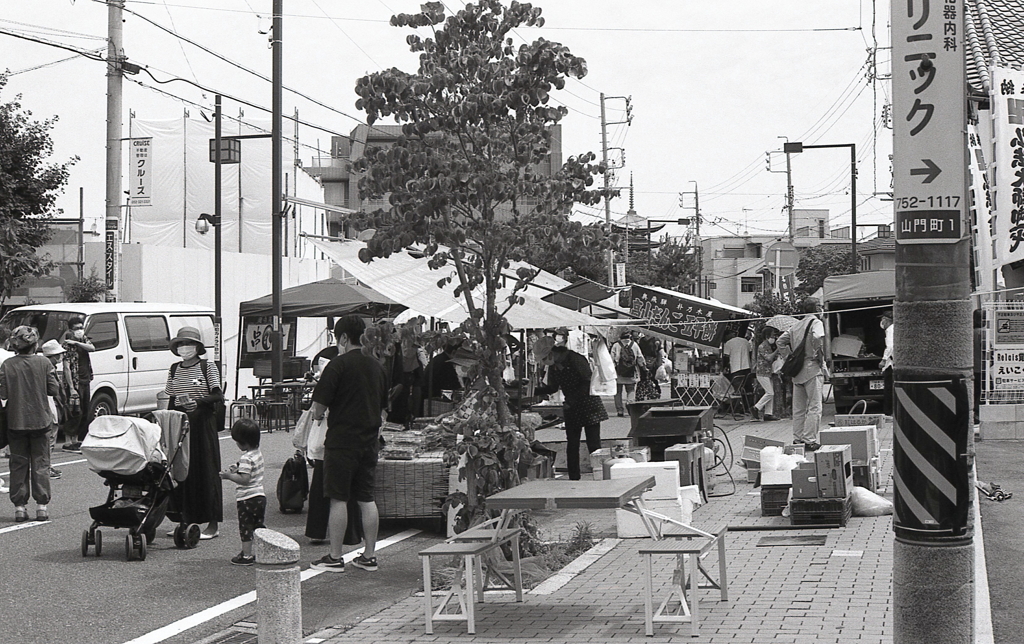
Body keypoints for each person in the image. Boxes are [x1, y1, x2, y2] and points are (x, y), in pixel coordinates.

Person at [309, 316, 389, 573]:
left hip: (341, 441)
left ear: (343, 337)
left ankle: (335, 557)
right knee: (366, 498)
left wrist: (321, 414)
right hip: (369, 441)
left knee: (338, 498)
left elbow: (318, 409)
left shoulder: (337, 365)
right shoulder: (377, 366)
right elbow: (384, 409)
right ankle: (369, 556)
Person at [163, 326, 223, 539]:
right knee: (182, 471)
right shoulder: (174, 369)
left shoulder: (208, 367)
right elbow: (171, 398)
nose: (184, 347)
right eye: (180, 344)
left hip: (202, 422)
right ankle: (185, 519)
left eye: (188, 343)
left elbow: (218, 395)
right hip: (181, 424)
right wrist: (166, 421)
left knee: (207, 469)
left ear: (197, 347)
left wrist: (197, 402)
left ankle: (212, 524)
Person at [0, 326, 59, 522]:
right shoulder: (44, 363)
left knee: (18, 464)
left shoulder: (7, 365)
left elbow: (3, 393)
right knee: (41, 463)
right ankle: (41, 507)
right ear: (35, 345)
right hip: (41, 420)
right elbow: (54, 390)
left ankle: (19, 507)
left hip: (15, 420)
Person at [534, 336, 609, 480]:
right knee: (572, 444)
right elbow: (552, 387)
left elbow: (587, 382)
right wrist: (533, 391)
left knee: (593, 444)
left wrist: (572, 400)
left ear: (551, 353)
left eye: (544, 359)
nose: (544, 363)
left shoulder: (575, 359)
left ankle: (600, 475)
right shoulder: (554, 366)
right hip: (571, 407)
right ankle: (574, 477)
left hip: (588, 404)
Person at [777, 298, 828, 451]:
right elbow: (817, 337)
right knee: (814, 407)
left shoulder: (796, 325)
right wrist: (817, 352)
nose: (821, 309)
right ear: (816, 308)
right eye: (820, 306)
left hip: (797, 371)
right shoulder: (816, 323)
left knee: (798, 409)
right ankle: (809, 440)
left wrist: (789, 357)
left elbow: (780, 341)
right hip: (812, 368)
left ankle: (797, 439)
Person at [219, 418, 266, 566]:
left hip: (247, 498)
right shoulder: (257, 453)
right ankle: (264, 551)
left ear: (243, 442)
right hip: (259, 496)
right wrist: (237, 467)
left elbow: (244, 479)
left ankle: (246, 555)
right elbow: (249, 469)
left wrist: (229, 476)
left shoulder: (246, 458)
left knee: (246, 528)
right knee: (258, 526)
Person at [40, 340, 78, 479]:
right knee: (49, 438)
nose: (61, 357)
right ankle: (46, 468)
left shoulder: (44, 366)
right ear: (54, 355)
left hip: (47, 405)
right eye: (59, 354)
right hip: (49, 405)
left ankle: (45, 467)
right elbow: (54, 390)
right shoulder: (48, 368)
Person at [60, 316, 95, 453]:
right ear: (70, 330)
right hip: (75, 382)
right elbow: (66, 367)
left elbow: (92, 348)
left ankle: (75, 440)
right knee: (74, 411)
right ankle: (68, 441)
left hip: (86, 380)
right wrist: (71, 387)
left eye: (81, 328)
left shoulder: (83, 340)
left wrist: (77, 343)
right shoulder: (67, 346)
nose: (80, 330)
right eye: (77, 328)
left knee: (84, 411)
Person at [610, 330, 645, 417]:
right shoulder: (634, 345)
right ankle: (630, 405)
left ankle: (620, 410)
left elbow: (611, 359)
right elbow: (640, 358)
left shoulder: (616, 345)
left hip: (618, 373)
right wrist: (644, 367)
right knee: (631, 390)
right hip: (631, 372)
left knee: (618, 392)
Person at [752, 327, 779, 421]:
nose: (773, 338)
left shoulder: (768, 346)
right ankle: (756, 407)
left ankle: (768, 413)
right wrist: (777, 350)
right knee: (770, 393)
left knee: (770, 393)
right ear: (767, 336)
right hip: (762, 373)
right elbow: (768, 358)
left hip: (768, 372)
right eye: (772, 336)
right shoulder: (762, 346)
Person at [879, 309, 894, 416]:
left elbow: (890, 347)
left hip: (891, 363)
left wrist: (883, 360)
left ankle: (888, 412)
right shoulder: (893, 329)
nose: (881, 322)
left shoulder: (890, 330)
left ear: (886, 320)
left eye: (882, 319)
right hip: (892, 362)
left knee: (888, 389)